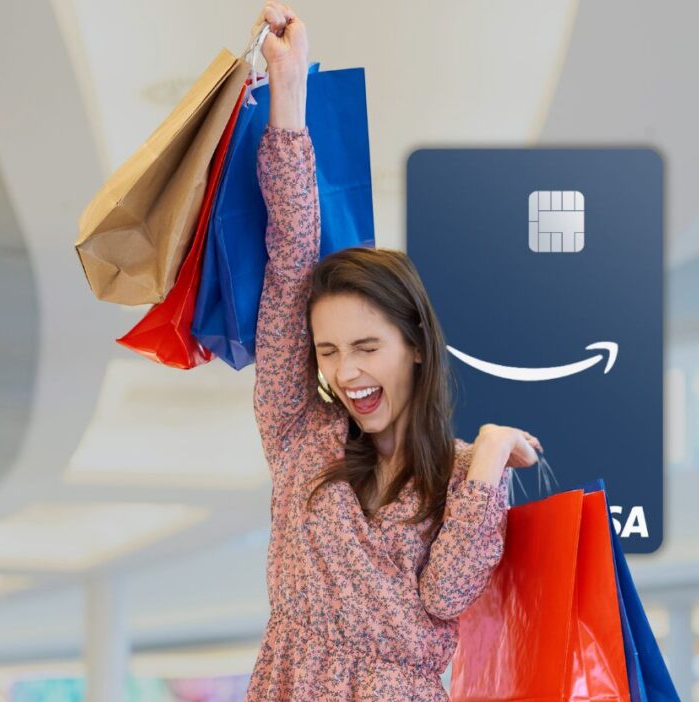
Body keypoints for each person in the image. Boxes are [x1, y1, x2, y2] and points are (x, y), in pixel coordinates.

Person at [247, 3, 544, 699]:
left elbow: (447, 596)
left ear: (415, 346)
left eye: (366, 346)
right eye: (326, 350)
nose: (344, 371)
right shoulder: (299, 436)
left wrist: (492, 455)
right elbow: (292, 258)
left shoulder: (461, 475)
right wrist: (288, 96)